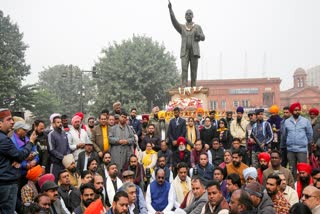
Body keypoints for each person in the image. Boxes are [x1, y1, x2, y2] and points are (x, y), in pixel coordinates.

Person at [0, 108, 37, 213]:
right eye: (8, 119)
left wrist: (16, 159)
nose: (12, 122)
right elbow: (19, 155)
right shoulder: (3, 139)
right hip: (6, 183)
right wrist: (31, 142)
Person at [168, 1, 205, 87]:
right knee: (184, 70)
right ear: (185, 16)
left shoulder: (197, 27)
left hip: (194, 52)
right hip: (185, 51)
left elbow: (203, 37)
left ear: (193, 16)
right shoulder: (182, 27)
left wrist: (199, 35)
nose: (188, 15)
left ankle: (193, 87)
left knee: (194, 71)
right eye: (187, 14)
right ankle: (184, 87)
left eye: (190, 14)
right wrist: (170, 10)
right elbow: (174, 22)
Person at [283, 102, 313, 178]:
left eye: (299, 110)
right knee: (292, 170)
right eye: (295, 110)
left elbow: (310, 134)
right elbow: (284, 135)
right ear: (292, 111)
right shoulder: (287, 122)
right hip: (290, 149)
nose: (297, 111)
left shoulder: (305, 121)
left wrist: (305, 143)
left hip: (301, 149)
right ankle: (294, 186)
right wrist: (288, 142)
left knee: (303, 170)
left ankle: (304, 186)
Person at [48, 115, 71, 182]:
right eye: (58, 122)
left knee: (64, 182)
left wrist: (67, 156)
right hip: (55, 164)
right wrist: (62, 157)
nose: (60, 124)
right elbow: (51, 149)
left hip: (64, 164)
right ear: (53, 124)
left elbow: (67, 146)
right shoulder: (51, 134)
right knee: (54, 182)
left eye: (60, 122)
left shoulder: (64, 133)